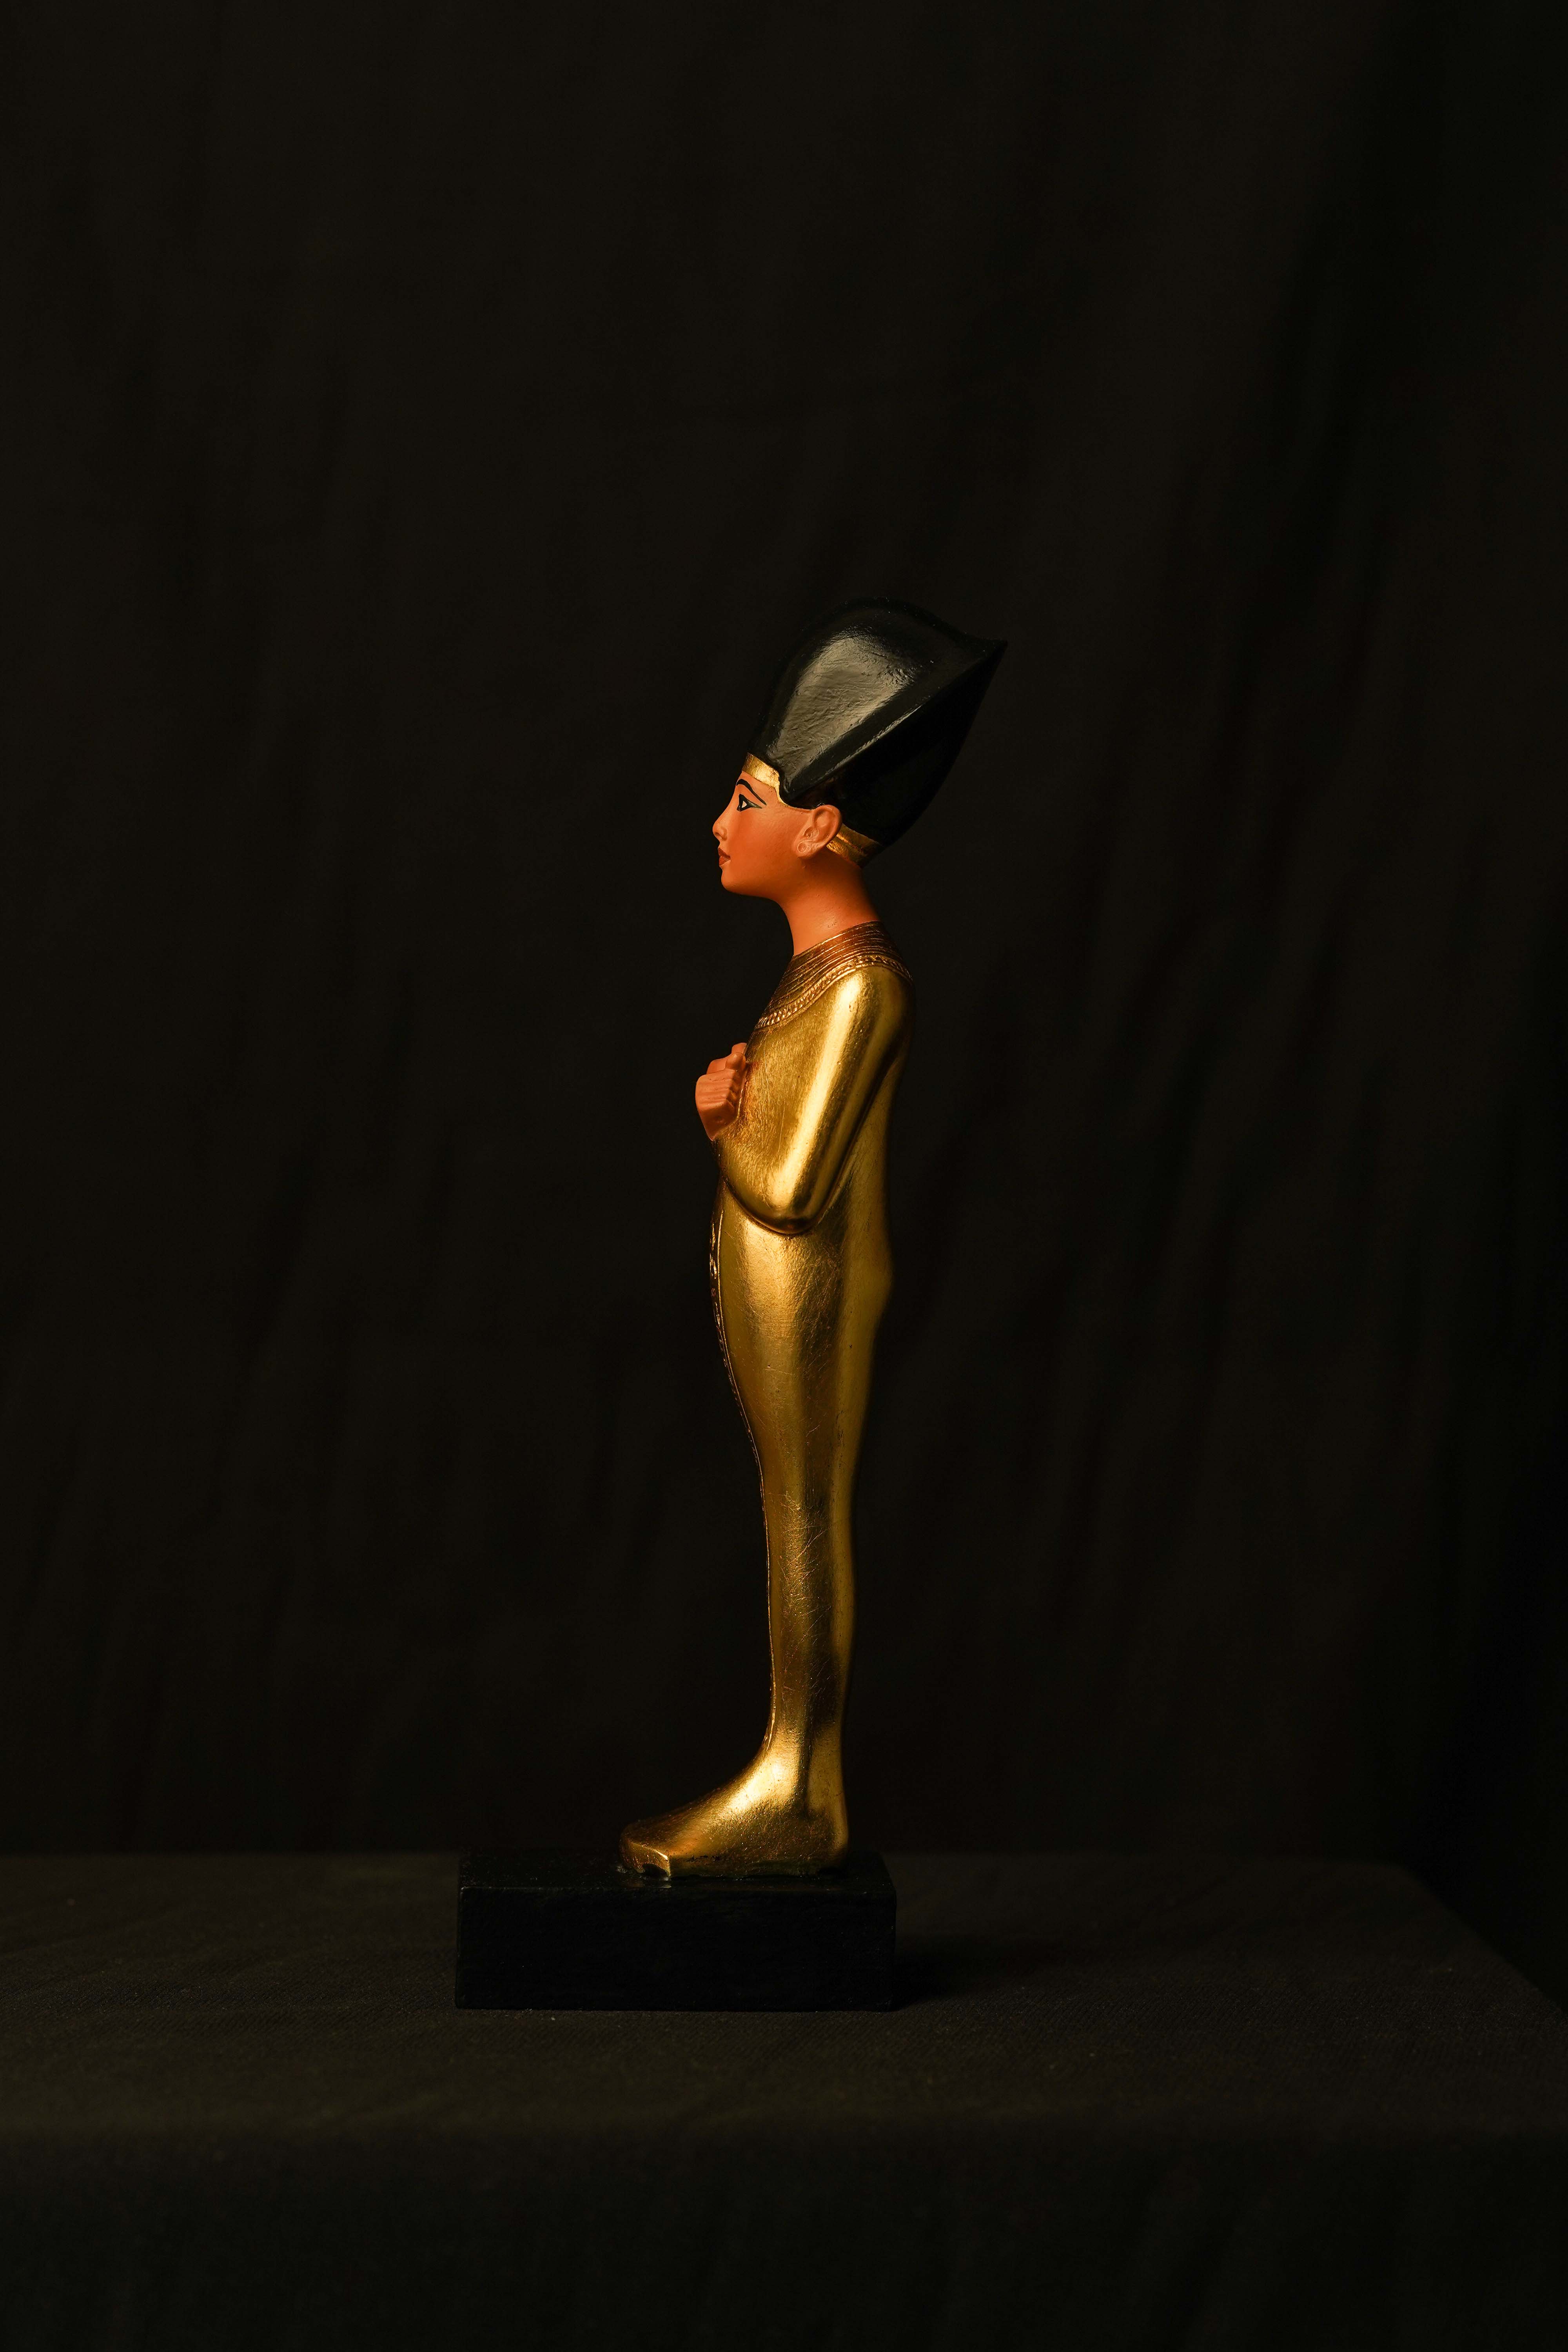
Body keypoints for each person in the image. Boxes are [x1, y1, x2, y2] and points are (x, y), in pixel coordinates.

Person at [620, 601, 1004, 1875]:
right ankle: (790, 1774)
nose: (721, 825)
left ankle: (802, 1786)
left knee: (803, 1514)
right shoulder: (816, 974)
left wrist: (724, 1115)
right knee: (787, 1509)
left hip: (811, 1284)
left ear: (820, 826)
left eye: (748, 801)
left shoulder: (864, 987)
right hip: (779, 1289)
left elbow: (790, 1185)